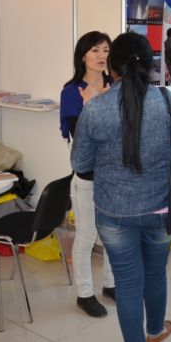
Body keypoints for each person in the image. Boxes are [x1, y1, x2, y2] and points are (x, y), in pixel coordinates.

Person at [71, 32, 171, 342]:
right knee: (155, 272)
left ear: (112, 66)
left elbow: (80, 163)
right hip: (162, 208)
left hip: (114, 212)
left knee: (127, 284)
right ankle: (155, 331)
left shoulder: (95, 108)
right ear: (150, 64)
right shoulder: (167, 101)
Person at [59, 31, 115, 317]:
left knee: (112, 234)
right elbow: (78, 137)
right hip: (87, 175)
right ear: (83, 55)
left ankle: (110, 285)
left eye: (105, 50)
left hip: (113, 174)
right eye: (95, 50)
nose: (101, 55)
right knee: (86, 236)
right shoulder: (71, 91)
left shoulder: (114, 85)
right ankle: (85, 294)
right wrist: (91, 104)